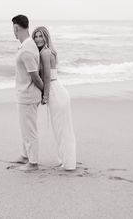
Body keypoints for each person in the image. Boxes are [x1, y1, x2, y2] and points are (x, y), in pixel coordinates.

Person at [32, 26, 76, 170]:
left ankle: (68, 164)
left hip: (56, 93)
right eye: (35, 36)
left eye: (40, 36)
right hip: (58, 90)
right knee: (62, 130)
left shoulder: (45, 53)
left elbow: (46, 76)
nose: (38, 39)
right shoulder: (49, 52)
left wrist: (45, 96)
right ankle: (66, 160)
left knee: (62, 130)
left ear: (46, 37)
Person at [12, 15, 44, 171]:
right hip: (25, 94)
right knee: (24, 127)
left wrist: (45, 93)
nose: (13, 31)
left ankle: (33, 163)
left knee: (29, 129)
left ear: (16, 27)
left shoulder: (26, 49)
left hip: (28, 95)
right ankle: (26, 156)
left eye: (13, 28)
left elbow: (35, 76)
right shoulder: (28, 45)